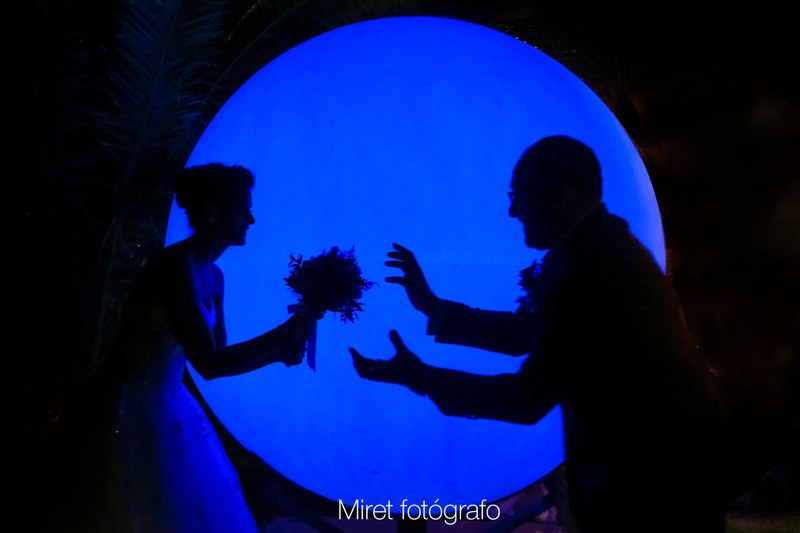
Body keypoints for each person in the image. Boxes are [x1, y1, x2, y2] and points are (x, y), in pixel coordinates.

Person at [350, 135, 737, 532]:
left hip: (651, 492)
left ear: (560, 195)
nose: (512, 211)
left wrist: (421, 377)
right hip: (663, 477)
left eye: (517, 195)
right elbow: (531, 332)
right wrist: (432, 306)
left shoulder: (591, 271)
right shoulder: (593, 251)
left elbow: (526, 399)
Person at [88, 163, 318, 532]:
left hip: (168, 402)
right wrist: (280, 335)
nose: (251, 219)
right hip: (130, 407)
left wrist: (278, 352)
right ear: (213, 213)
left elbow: (220, 357)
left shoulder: (214, 276)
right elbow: (209, 363)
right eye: (243, 210)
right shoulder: (173, 267)